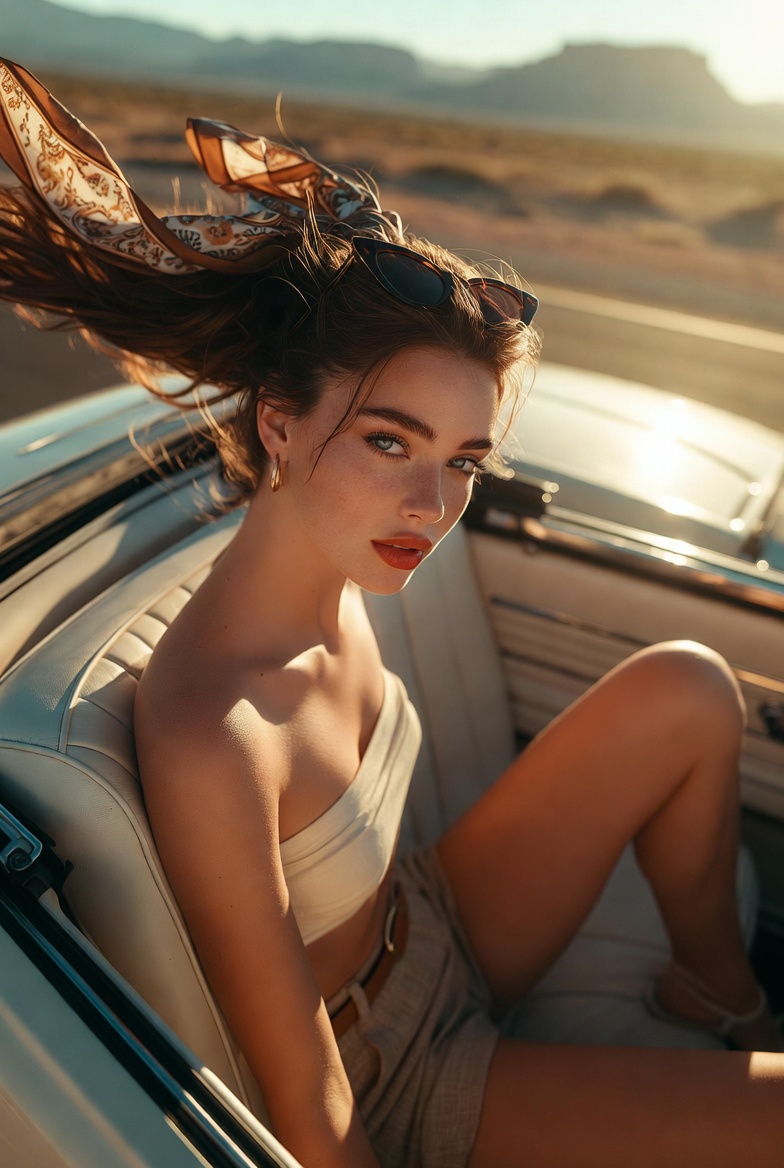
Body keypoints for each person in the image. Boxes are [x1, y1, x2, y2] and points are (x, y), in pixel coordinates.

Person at [1, 56, 782, 1168]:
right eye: (388, 442)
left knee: (691, 684)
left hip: (436, 916)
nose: (434, 503)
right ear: (278, 423)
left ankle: (720, 987)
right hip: (402, 1067)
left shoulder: (342, 561)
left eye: (464, 459)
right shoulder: (212, 728)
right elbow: (313, 1106)